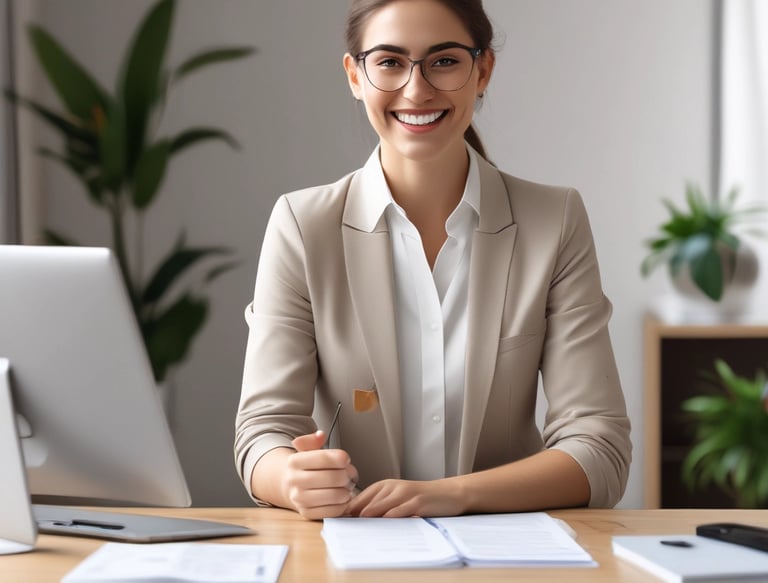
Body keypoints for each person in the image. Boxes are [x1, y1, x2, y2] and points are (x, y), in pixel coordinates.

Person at [235, 0, 631, 520]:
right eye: (390, 62)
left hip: (507, 555)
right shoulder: (302, 225)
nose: (417, 90)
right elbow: (263, 431)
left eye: (444, 61)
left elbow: (600, 450)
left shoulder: (553, 221)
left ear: (482, 70)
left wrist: (452, 496)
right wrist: (290, 478)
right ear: (356, 75)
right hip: (355, 549)